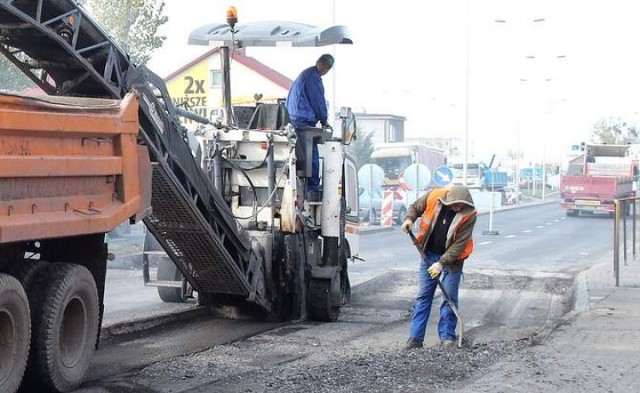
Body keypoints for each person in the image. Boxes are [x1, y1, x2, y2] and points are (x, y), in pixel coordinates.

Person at [400, 185, 477, 350]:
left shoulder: (469, 215)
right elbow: (415, 207)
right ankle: (415, 338)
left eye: (461, 205)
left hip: (453, 260)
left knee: (449, 297)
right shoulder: (434, 196)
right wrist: (409, 219)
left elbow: (459, 245)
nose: (458, 208)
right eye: (455, 205)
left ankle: (447, 336)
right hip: (428, 253)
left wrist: (441, 264)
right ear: (448, 200)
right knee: (423, 296)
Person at [285, 54, 334, 192]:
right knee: (311, 152)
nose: (325, 69)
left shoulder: (307, 74)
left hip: (295, 117)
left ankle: (307, 184)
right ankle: (312, 187)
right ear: (321, 64)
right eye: (326, 66)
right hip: (302, 119)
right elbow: (318, 101)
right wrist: (324, 120)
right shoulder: (313, 78)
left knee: (302, 151)